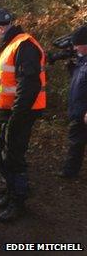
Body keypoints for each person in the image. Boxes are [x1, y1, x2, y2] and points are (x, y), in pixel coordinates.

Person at [0, 8, 46, 222]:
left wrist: (16, 119)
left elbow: (28, 86)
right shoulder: (8, 47)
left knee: (13, 157)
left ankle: (18, 201)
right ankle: (12, 192)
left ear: (1, 28)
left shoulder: (24, 45)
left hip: (21, 113)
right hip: (7, 111)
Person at [58, 26, 87, 178]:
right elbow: (79, 81)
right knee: (76, 142)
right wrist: (70, 66)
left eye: (77, 44)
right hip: (78, 111)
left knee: (77, 141)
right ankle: (70, 171)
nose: (75, 48)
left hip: (84, 111)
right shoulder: (81, 62)